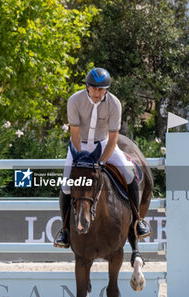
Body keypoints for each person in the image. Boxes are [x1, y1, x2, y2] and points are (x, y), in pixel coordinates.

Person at [54, 67, 150, 248]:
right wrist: (81, 158)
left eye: (101, 89)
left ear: (107, 89)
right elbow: (74, 135)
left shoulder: (114, 104)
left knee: (130, 175)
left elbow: (114, 138)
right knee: (66, 185)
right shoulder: (75, 100)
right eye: (94, 88)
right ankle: (65, 230)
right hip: (79, 146)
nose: (97, 92)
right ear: (87, 87)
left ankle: (138, 221)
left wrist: (101, 161)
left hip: (105, 145)